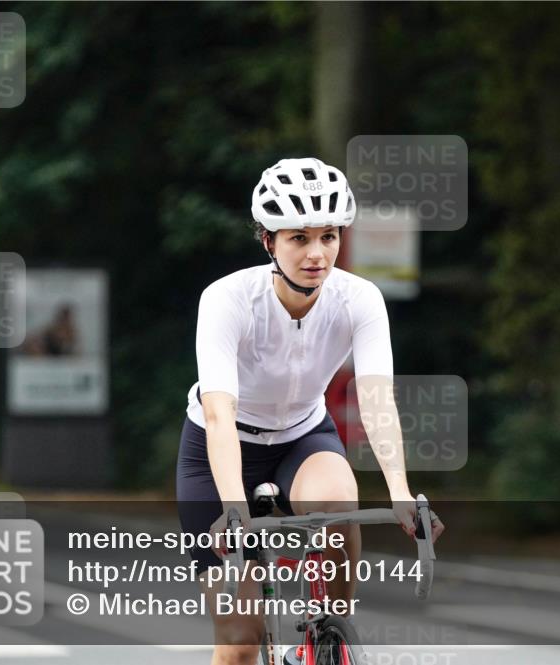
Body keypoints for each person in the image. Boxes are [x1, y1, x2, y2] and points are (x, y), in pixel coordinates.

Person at [176, 157, 444, 665]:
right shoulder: (227, 299)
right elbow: (218, 413)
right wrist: (234, 509)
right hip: (221, 451)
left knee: (338, 504)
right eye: (299, 238)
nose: (317, 253)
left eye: (329, 236)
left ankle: (330, 633)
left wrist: (400, 492)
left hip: (301, 437)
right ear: (268, 242)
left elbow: (376, 398)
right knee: (239, 641)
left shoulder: (359, 299)